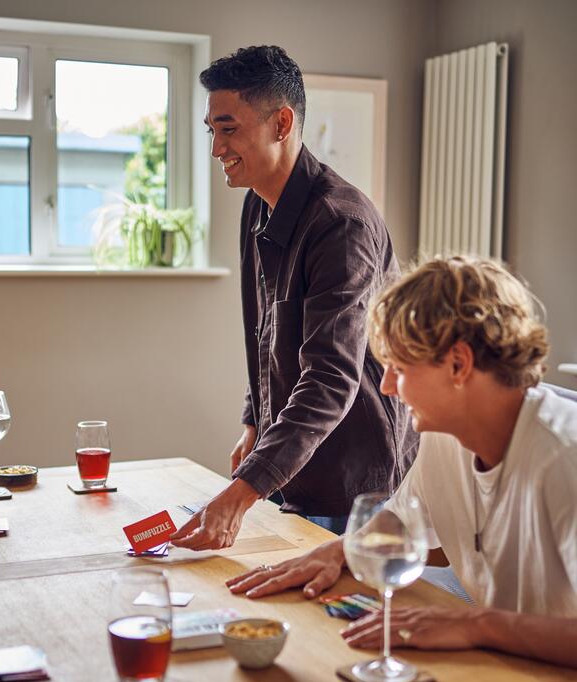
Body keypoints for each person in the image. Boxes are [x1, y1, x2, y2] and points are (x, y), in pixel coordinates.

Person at [227, 256, 577, 668]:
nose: (387, 386)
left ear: (459, 365)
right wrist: (339, 551)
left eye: (398, 367)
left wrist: (477, 624)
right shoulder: (444, 438)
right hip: (511, 670)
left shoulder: (563, 458)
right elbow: (403, 526)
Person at [171, 45, 416, 551]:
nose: (216, 148)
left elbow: (331, 376)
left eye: (229, 128)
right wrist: (253, 422)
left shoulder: (340, 223)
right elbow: (266, 333)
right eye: (211, 131)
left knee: (333, 626)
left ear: (281, 123)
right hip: (294, 466)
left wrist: (240, 494)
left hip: (352, 481)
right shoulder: (258, 208)